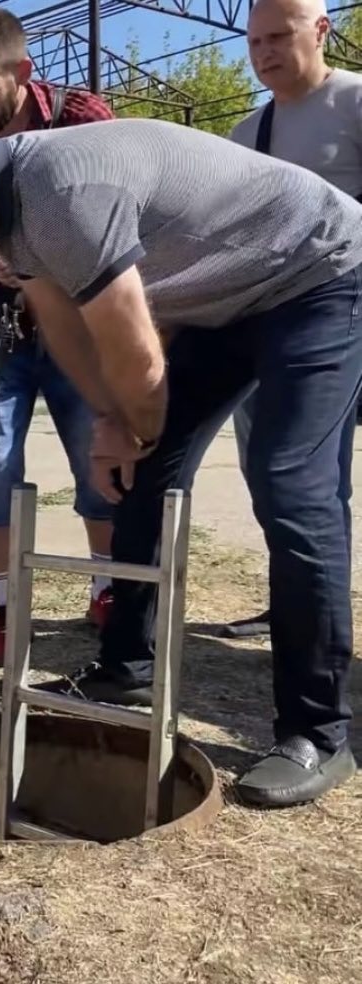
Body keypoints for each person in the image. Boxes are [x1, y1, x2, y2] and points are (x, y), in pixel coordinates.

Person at [0, 115, 362, 807]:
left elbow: (129, 336)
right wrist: (111, 423)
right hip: (227, 300)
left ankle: (317, 732)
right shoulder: (5, 214)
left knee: (290, 485)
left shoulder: (60, 195)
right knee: (142, 474)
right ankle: (125, 666)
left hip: (319, 274)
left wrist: (134, 427)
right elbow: (60, 321)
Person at [0, 9, 117, 666]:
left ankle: (105, 589)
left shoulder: (81, 118)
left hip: (78, 321)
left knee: (96, 457)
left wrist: (37, 258)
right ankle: (5, 606)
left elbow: (114, 207)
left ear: (21, 70)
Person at [220, 0, 362, 639]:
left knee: (308, 481)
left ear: (322, 29)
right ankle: (296, 601)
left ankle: (315, 618)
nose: (264, 52)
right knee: (275, 476)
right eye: (255, 41)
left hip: (341, 320)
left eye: (279, 36)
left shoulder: (354, 103)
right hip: (264, 322)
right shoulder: (247, 133)